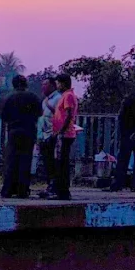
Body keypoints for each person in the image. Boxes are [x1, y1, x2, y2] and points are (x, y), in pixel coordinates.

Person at [0, 75, 43, 198]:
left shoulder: (8, 98)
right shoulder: (33, 97)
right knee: (25, 160)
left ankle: (7, 189)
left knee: (11, 160)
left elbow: (3, 116)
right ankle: (22, 190)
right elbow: (39, 113)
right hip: (28, 131)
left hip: (13, 131)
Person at [50, 73, 79, 201]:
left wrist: (61, 131)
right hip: (63, 133)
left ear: (63, 83)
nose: (57, 86)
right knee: (60, 162)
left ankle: (63, 191)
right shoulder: (66, 96)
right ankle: (60, 190)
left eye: (58, 83)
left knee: (61, 163)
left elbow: (68, 115)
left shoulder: (67, 96)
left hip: (65, 134)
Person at [36, 76, 61, 198]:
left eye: (45, 85)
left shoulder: (57, 99)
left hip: (53, 134)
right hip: (44, 134)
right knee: (46, 161)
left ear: (52, 85)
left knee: (53, 162)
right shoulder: (44, 100)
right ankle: (49, 185)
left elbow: (59, 115)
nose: (43, 87)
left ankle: (54, 186)